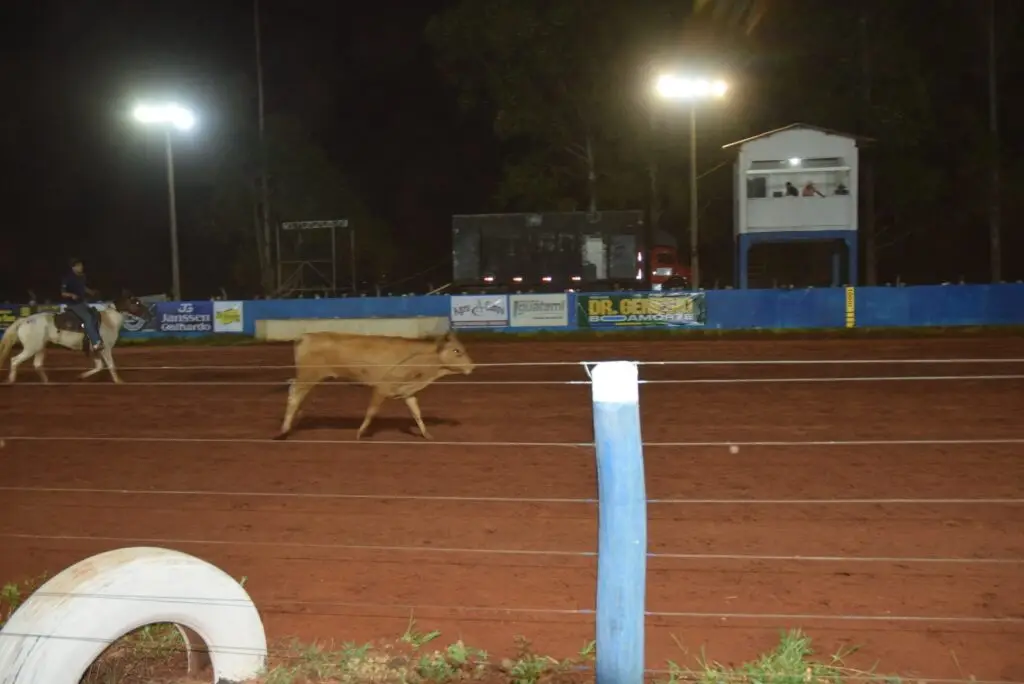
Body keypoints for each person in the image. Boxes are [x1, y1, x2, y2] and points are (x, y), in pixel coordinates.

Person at [61, 258, 104, 352]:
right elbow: (63, 293)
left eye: (82, 265)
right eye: (79, 266)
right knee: (88, 318)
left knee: (95, 315)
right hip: (73, 304)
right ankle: (95, 342)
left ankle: (90, 338)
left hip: (82, 303)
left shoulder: (82, 277)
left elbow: (82, 287)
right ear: (73, 267)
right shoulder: (68, 278)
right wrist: (71, 295)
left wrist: (91, 292)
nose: (82, 267)